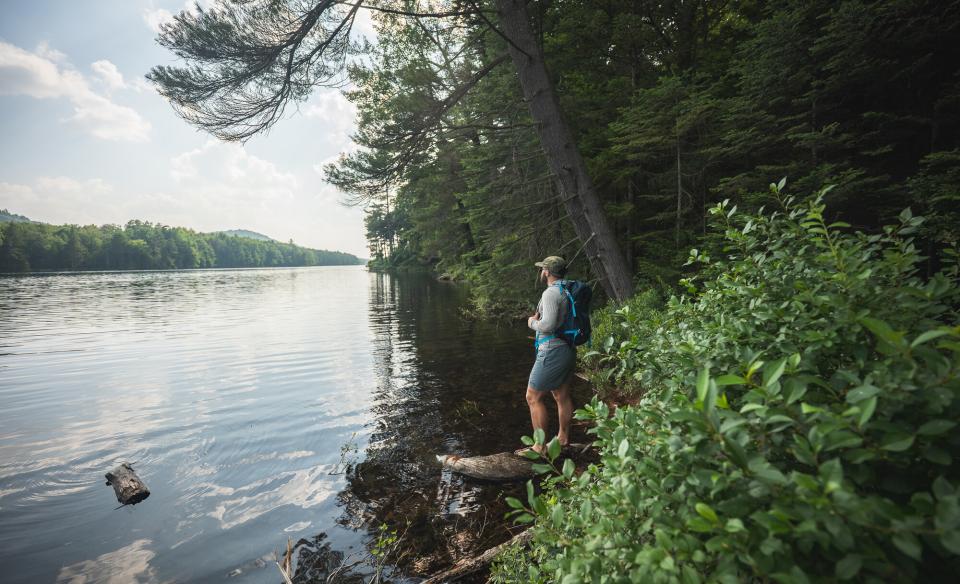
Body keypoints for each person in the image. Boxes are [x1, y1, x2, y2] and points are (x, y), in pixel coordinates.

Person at [519, 255, 576, 455]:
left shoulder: (551, 294)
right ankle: (563, 437)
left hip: (552, 350)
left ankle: (540, 447)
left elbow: (549, 324)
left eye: (542, 269)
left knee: (532, 397)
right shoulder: (568, 289)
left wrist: (531, 323)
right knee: (561, 395)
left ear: (547, 272)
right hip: (567, 348)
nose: (541, 272)